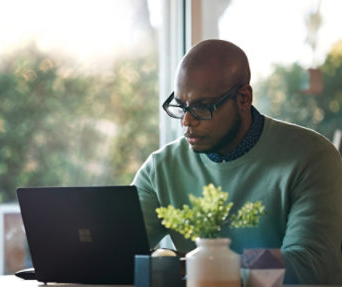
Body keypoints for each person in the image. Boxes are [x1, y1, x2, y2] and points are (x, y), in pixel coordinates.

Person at [132, 39, 342, 284]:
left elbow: (307, 264)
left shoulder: (312, 156)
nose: (186, 121)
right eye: (181, 105)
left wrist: (204, 263)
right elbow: (119, 251)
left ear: (243, 98)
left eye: (202, 107)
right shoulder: (161, 168)